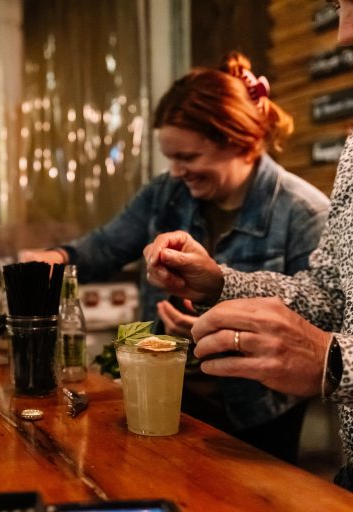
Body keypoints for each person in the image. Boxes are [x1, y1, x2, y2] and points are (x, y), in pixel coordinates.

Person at [22, 52, 330, 463]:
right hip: (165, 395)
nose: (176, 170)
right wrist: (56, 256)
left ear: (238, 141)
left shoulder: (304, 211)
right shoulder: (166, 192)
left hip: (256, 416)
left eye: (188, 157)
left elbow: (320, 323)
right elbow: (107, 246)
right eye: (170, 157)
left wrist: (220, 322)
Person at [143, 1, 353, 488]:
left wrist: (333, 360)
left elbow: (330, 343)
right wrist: (220, 282)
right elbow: (332, 298)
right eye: (340, 6)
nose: (344, 34)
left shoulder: (299, 206)